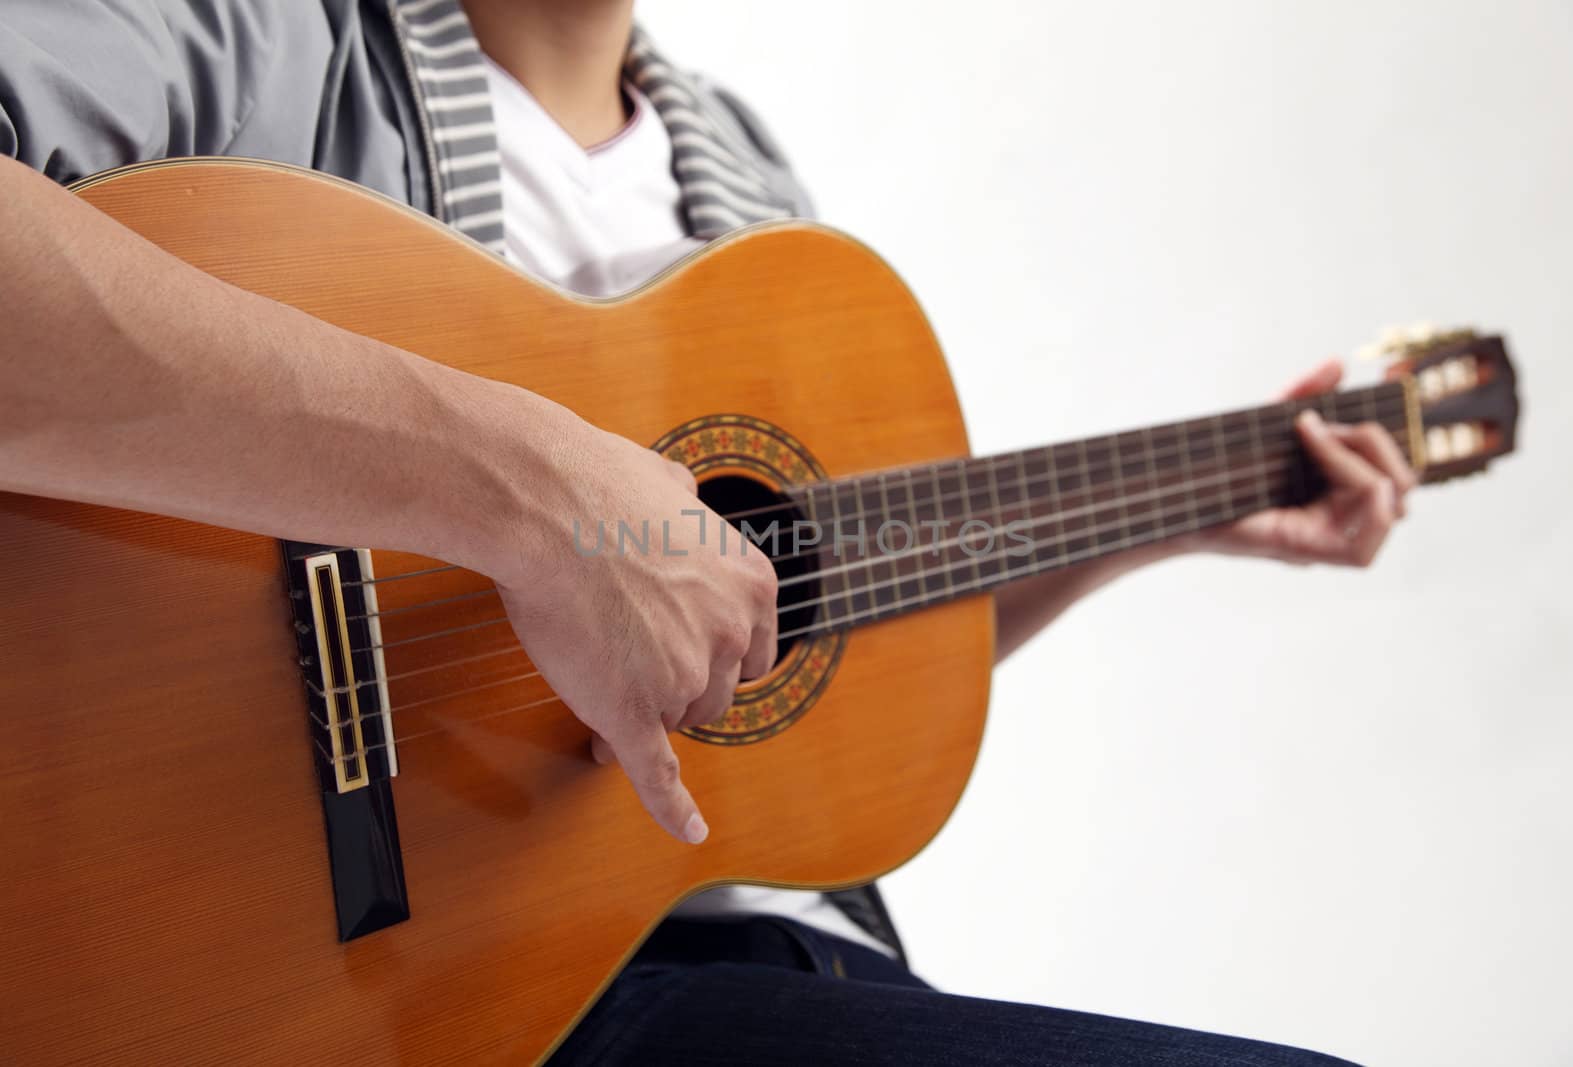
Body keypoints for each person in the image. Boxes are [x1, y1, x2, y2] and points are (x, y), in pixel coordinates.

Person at [0, 2, 1415, 1063]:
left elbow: (774, 654)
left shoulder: (742, 177)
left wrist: (1161, 515)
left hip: (764, 981)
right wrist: (527, 488)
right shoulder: (237, 36)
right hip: (410, 1004)